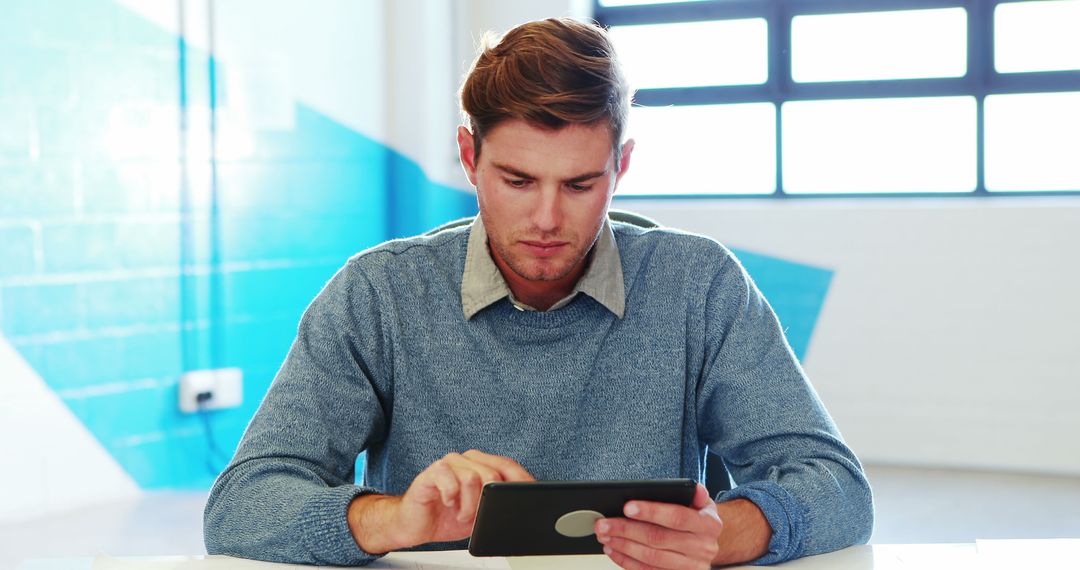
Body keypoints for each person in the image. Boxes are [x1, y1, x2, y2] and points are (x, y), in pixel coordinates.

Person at [203, 17, 873, 569]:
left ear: (622, 166)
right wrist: (391, 518)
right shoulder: (379, 294)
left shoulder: (699, 286)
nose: (548, 219)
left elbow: (837, 485)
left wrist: (729, 531)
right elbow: (241, 504)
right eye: (518, 180)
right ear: (469, 158)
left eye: (580, 184)